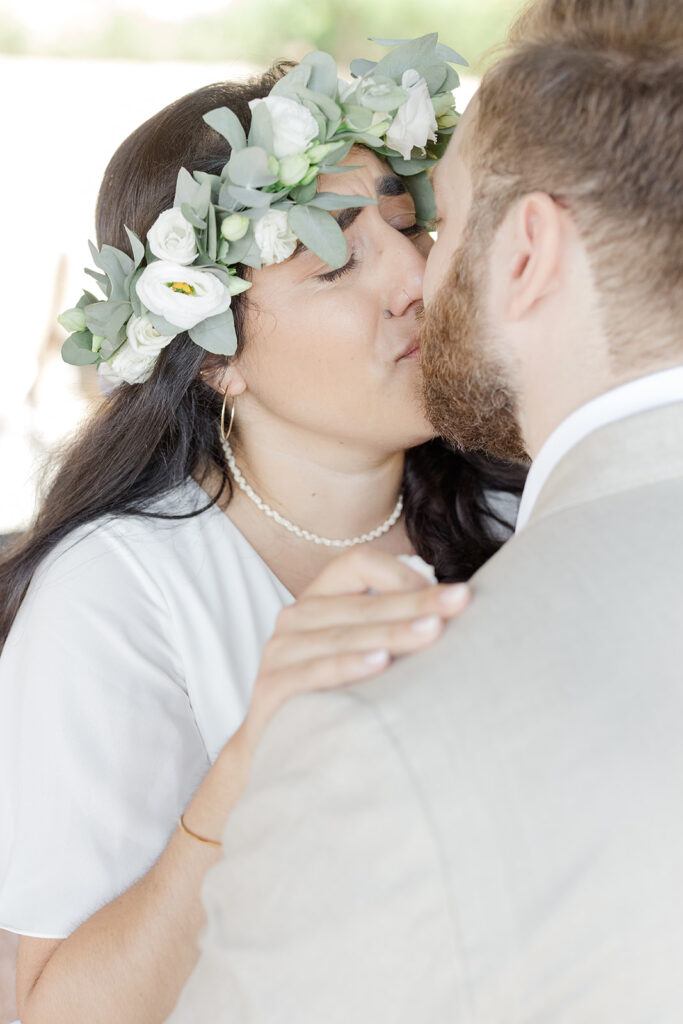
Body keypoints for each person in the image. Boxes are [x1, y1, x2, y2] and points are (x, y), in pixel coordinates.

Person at [166, 0, 683, 1021]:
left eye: (431, 225)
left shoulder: (383, 739)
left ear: (526, 252)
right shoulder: (125, 588)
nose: (415, 279)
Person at [0, 40, 524, 1024]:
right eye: (332, 259)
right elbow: (61, 1009)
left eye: (410, 227)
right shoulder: (119, 597)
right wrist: (255, 757)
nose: (415, 277)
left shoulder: (522, 516)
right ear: (212, 356)